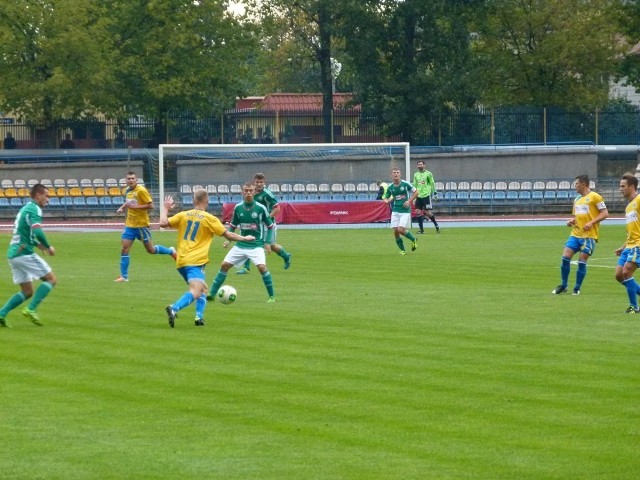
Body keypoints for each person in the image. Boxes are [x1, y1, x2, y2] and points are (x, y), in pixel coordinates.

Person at [159, 189, 254, 328]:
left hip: (181, 261)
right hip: (195, 261)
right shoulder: (209, 219)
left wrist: (166, 208)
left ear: (193, 201)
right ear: (207, 201)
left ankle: (199, 317)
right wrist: (244, 238)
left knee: (203, 289)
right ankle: (174, 308)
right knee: (196, 291)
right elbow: (228, 235)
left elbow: (162, 223)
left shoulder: (183, 215)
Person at [206, 182, 277, 303]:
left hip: (256, 245)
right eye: (246, 191)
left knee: (262, 268)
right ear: (242, 193)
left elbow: (270, 226)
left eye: (250, 190)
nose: (248, 193)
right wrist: (228, 240)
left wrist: (268, 243)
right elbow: (233, 226)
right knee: (224, 265)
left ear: (254, 192)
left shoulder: (261, 208)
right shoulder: (238, 208)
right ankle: (211, 294)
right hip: (241, 245)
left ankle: (272, 297)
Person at [0, 184, 57, 327]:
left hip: (13, 254)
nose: (48, 200)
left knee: (27, 291)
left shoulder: (24, 209)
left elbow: (24, 232)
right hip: (24, 253)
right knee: (51, 280)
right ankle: (31, 309)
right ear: (38, 195)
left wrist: (38, 245)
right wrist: (48, 246)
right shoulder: (34, 209)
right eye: (46, 196)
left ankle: (1, 313)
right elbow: (37, 231)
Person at [114, 171, 176, 282]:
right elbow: (129, 203)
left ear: (136, 180)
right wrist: (122, 208)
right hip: (130, 225)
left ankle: (171, 251)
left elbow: (150, 205)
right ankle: (124, 277)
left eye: (133, 178)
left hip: (141, 226)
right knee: (124, 249)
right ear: (126, 180)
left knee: (151, 250)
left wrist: (135, 207)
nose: (131, 180)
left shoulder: (141, 191)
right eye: (129, 178)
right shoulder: (127, 190)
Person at [552, 175, 608, 296]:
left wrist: (591, 222)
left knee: (582, 261)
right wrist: (571, 221)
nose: (575, 186)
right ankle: (564, 285)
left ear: (583, 184)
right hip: (576, 234)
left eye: (576, 184)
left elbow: (605, 213)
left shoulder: (595, 197)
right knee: (565, 257)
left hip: (589, 236)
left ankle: (577, 288)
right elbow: (577, 216)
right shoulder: (577, 199)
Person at [235, 172, 292, 274]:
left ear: (264, 182)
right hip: (256, 225)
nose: (259, 184)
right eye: (257, 182)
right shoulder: (252, 192)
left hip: (267, 225)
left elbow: (277, 208)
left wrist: (266, 217)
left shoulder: (267, 194)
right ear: (254, 182)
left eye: (261, 182)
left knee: (271, 246)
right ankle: (246, 268)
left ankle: (286, 256)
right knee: (249, 241)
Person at [614, 173, 640, 313]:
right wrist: (623, 247)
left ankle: (633, 307)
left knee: (627, 272)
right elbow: (632, 230)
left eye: (623, 186)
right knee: (619, 275)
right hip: (629, 245)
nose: (620, 189)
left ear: (632, 186)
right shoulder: (629, 206)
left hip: (638, 245)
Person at [383, 168, 419, 255]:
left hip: (405, 210)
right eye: (394, 173)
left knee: (401, 230)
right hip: (395, 210)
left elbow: (416, 192)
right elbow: (386, 196)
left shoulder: (405, 184)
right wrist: (386, 200)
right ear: (392, 175)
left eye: (397, 173)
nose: (396, 174)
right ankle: (403, 250)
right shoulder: (390, 187)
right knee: (395, 231)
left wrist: (409, 201)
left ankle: (413, 239)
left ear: (400, 174)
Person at [412, 160, 440, 234]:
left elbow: (432, 183)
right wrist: (414, 196)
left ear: (424, 165)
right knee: (417, 212)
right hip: (418, 195)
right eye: (419, 164)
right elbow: (414, 185)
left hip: (426, 195)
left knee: (427, 212)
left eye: (421, 164)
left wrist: (435, 192)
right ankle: (421, 230)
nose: (420, 166)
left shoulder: (428, 174)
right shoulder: (415, 175)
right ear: (417, 166)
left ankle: (436, 225)